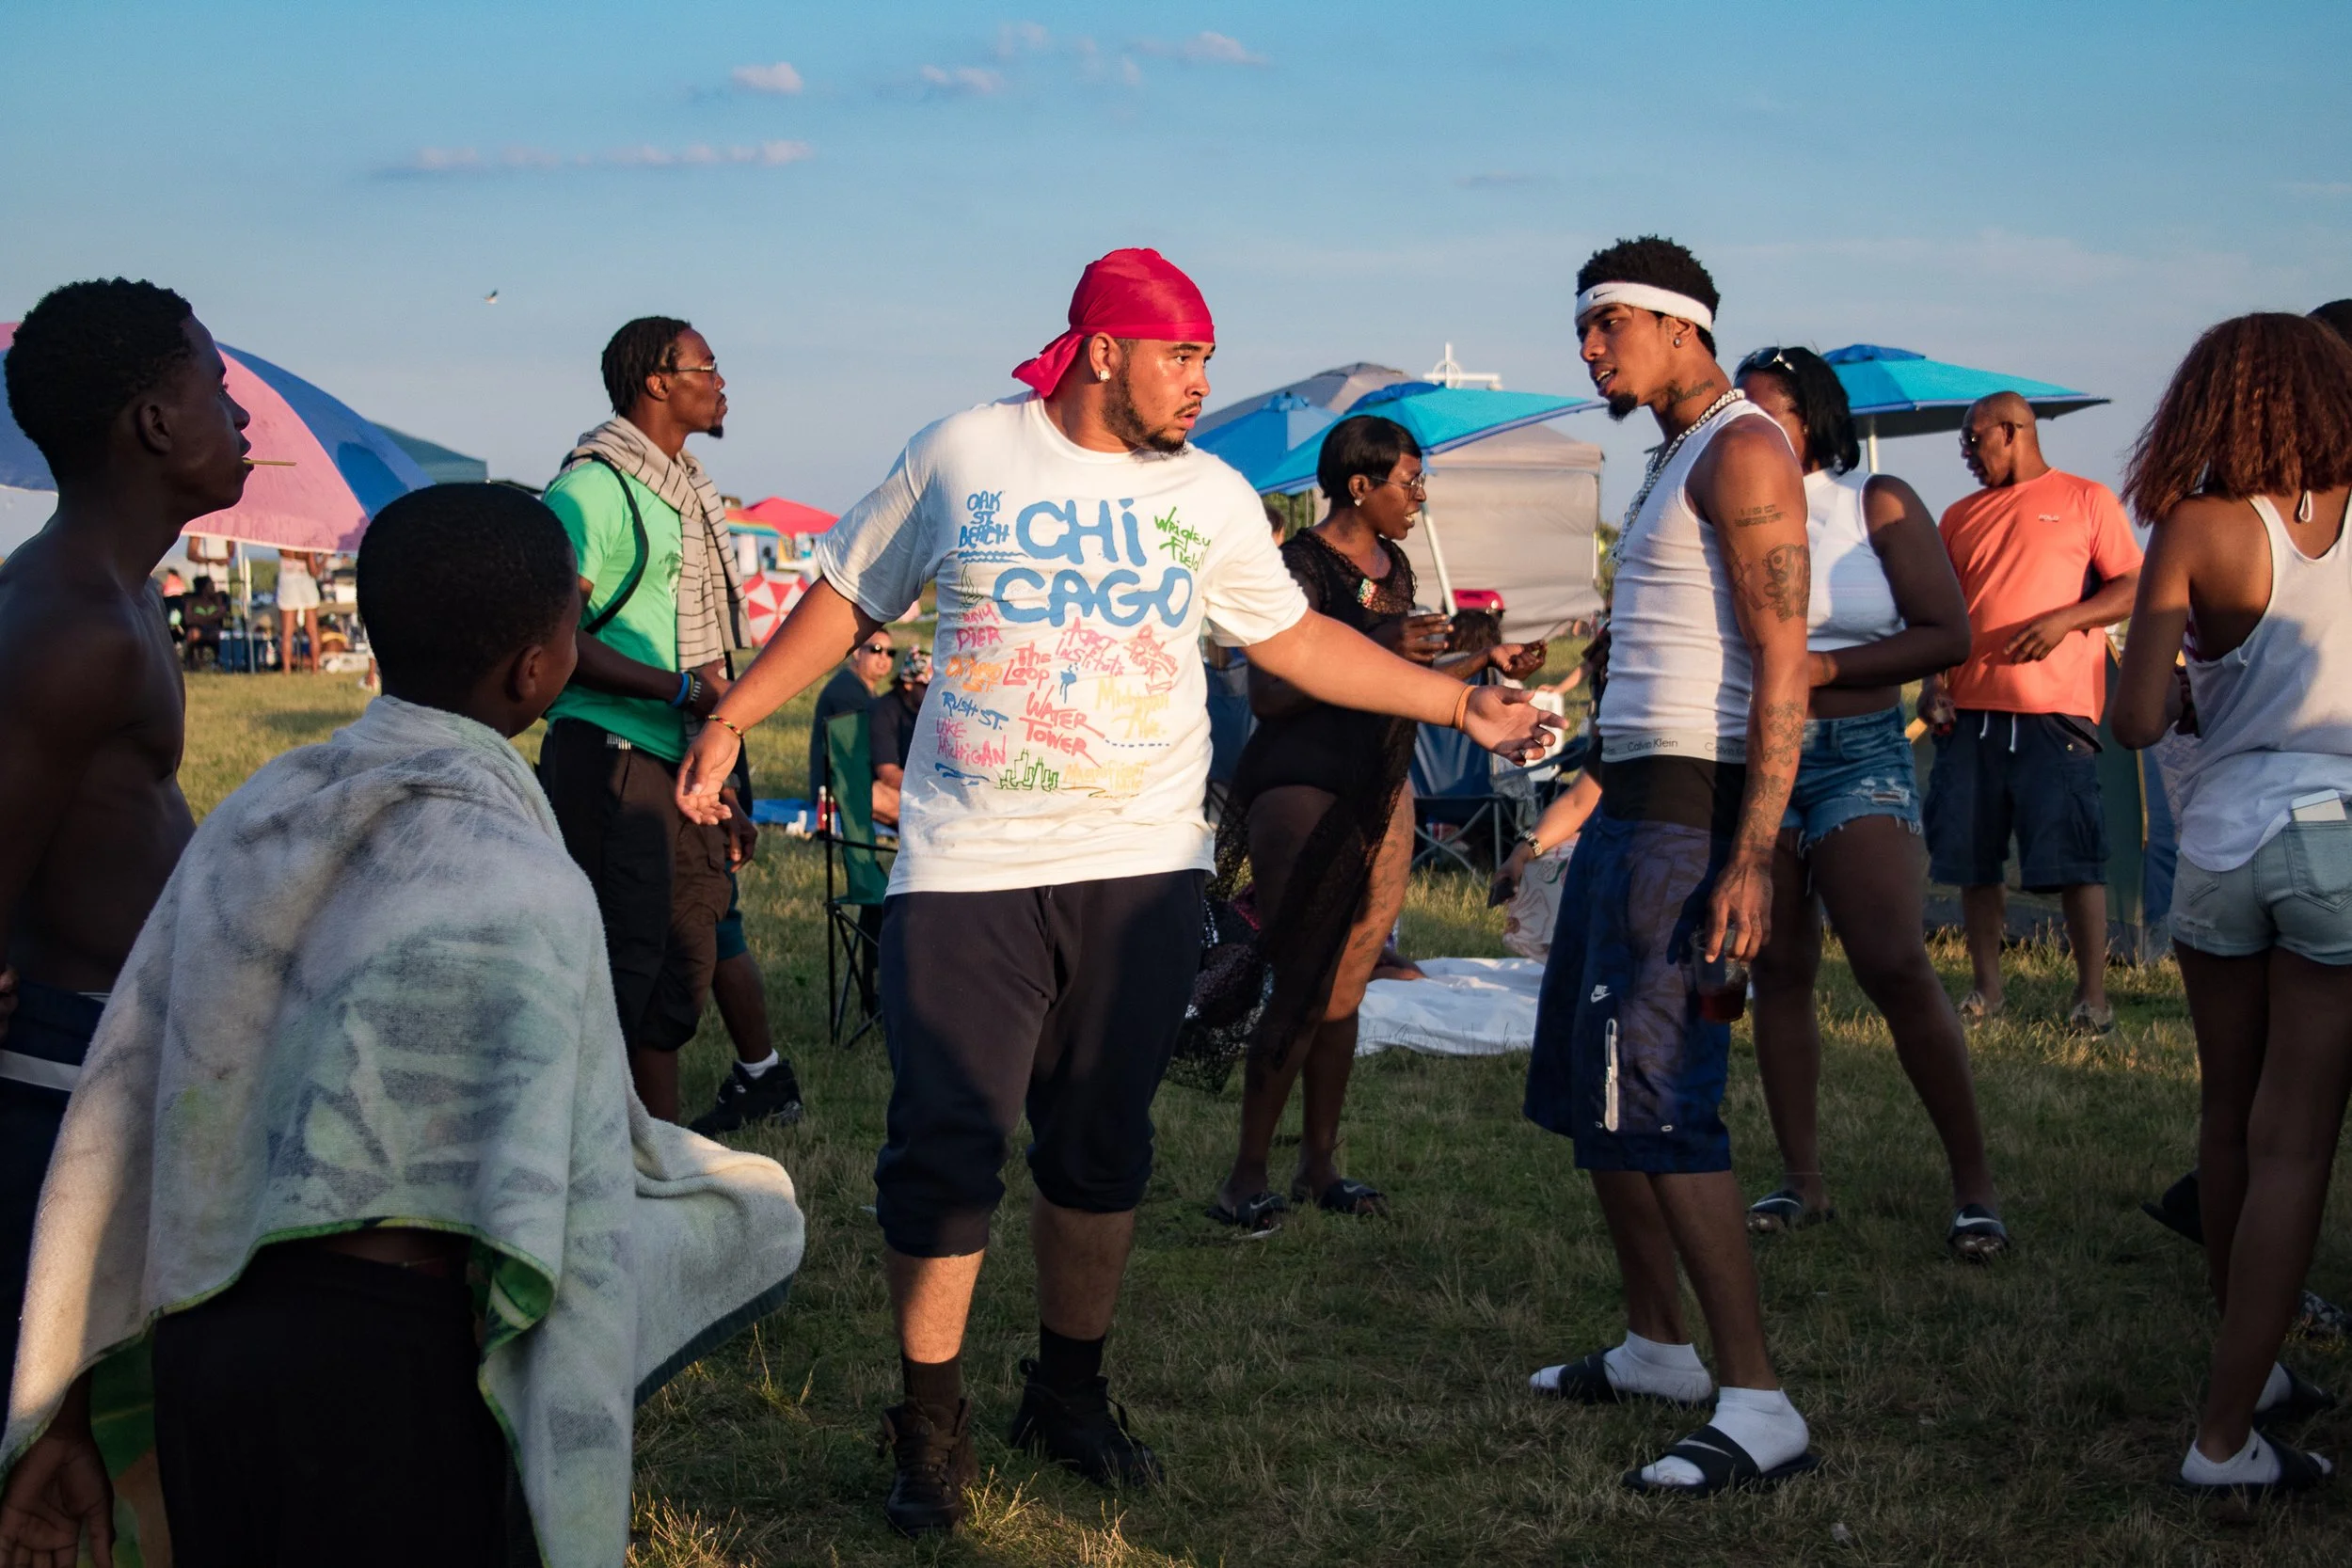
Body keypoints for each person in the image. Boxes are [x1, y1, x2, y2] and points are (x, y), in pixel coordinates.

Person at [667, 246, 1553, 1537]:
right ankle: (930, 1419)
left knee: (1099, 1145)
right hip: (970, 866)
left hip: (1141, 868)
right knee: (947, 1146)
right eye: (1182, 356)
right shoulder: (966, 451)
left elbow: (1294, 639)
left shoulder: (1207, 493)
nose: (1201, 382)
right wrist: (739, 714)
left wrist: (1457, 698)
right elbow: (848, 590)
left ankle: (1067, 1396)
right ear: (1102, 352)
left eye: (1206, 358)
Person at [0, 483, 803, 1567]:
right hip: (398, 1363)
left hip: (208, 1334)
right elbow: (554, 1179)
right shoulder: (525, 881)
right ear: (538, 668)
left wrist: (66, 1389)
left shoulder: (253, 817)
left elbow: (128, 1099)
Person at [1521, 236, 1821, 1496]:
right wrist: (1586, 786)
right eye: (1584, 329)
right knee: (1598, 1095)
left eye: (1609, 328)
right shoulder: (1674, 454)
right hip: (1632, 810)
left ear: (1681, 327)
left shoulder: (1747, 448)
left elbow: (1784, 658)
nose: (1589, 350)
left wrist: (1751, 852)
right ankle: (1659, 1345)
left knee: (1665, 1096)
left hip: (1694, 829)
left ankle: (1759, 1398)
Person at [0, 279, 249, 1424]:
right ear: (154, 421)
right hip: (58, 1069)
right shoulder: (70, 622)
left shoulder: (125, 599)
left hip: (114, 1040)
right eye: (217, 385)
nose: (238, 413)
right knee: (51, 1416)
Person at [2111, 312, 2352, 1497]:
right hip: (2340, 844)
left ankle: (2248, 1384)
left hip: (2219, 844)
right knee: (2297, 1143)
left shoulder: (2196, 527)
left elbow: (2138, 718)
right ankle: (2221, 1434)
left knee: (2229, 1120)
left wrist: (2211, 695)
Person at [1207, 415, 1543, 1231]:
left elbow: (1399, 674)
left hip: (1381, 786)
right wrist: (1380, 636)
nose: (1420, 496)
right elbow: (1273, 692)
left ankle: (1320, 1164)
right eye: (1410, 481)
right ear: (1361, 485)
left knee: (1351, 980)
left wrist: (1483, 665)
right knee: (1305, 975)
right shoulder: (1299, 565)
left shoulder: (1393, 564)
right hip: (1302, 787)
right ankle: (1245, 1175)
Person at [1722, 346, 2005, 1258]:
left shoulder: (1873, 502)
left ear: (1814, 419)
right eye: (1741, 412)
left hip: (1857, 753)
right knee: (1781, 971)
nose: (1749, 429)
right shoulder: (1722, 509)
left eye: (1768, 412)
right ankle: (1801, 1182)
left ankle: (1973, 1188)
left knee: (1890, 959)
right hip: (1755, 752)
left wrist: (1826, 666)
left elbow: (1947, 631)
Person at [534, 315, 749, 1123]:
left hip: (678, 762)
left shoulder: (684, 494)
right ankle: (593, 1160)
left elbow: (704, 653)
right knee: (625, 969)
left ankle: (652, 1155)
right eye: (708, 365)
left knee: (681, 965)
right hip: (611, 754)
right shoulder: (594, 488)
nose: (721, 381)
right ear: (658, 381)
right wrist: (680, 695)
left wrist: (729, 768)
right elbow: (554, 637)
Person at [1917, 391, 2142, 1032]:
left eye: (1973, 440)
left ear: (2013, 431)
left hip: (2056, 714)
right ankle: (1987, 991)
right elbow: (1942, 612)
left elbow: (2132, 585)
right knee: (1971, 857)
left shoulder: (2086, 500)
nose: (1965, 454)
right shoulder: (1958, 516)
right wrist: (1935, 683)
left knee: (2077, 856)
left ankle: (2092, 998)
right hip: (1969, 716)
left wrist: (2068, 619)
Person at [811, 628, 897, 800]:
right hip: (837, 791)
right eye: (876, 649)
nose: (884, 657)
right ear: (857, 652)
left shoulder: (864, 689)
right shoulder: (846, 691)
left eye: (890, 653)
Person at [869, 645, 931, 831]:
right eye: (927, 686)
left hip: (917, 789)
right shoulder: (884, 711)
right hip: (894, 789)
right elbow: (888, 774)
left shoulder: (930, 711)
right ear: (908, 684)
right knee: (873, 795)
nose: (934, 692)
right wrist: (930, 790)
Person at [275, 548, 322, 673]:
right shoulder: (307, 544)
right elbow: (314, 571)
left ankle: (286, 669)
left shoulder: (283, 540)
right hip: (306, 584)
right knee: (313, 631)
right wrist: (326, 557)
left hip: (287, 584)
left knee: (287, 633)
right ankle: (315, 669)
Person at [178, 571, 229, 668]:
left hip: (214, 629)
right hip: (198, 629)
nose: (214, 587)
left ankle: (220, 661)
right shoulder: (192, 601)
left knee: (219, 635)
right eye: (211, 585)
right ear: (204, 588)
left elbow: (221, 614)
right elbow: (189, 619)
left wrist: (200, 618)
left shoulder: (217, 599)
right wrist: (211, 618)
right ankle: (191, 661)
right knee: (193, 634)